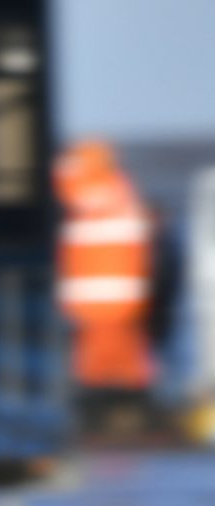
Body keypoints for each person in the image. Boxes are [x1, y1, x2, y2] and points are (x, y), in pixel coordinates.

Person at [54, 139, 157, 433]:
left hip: (87, 308)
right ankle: (129, 422)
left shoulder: (73, 192)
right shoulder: (124, 193)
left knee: (92, 375)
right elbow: (146, 252)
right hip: (127, 306)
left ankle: (100, 424)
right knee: (126, 372)